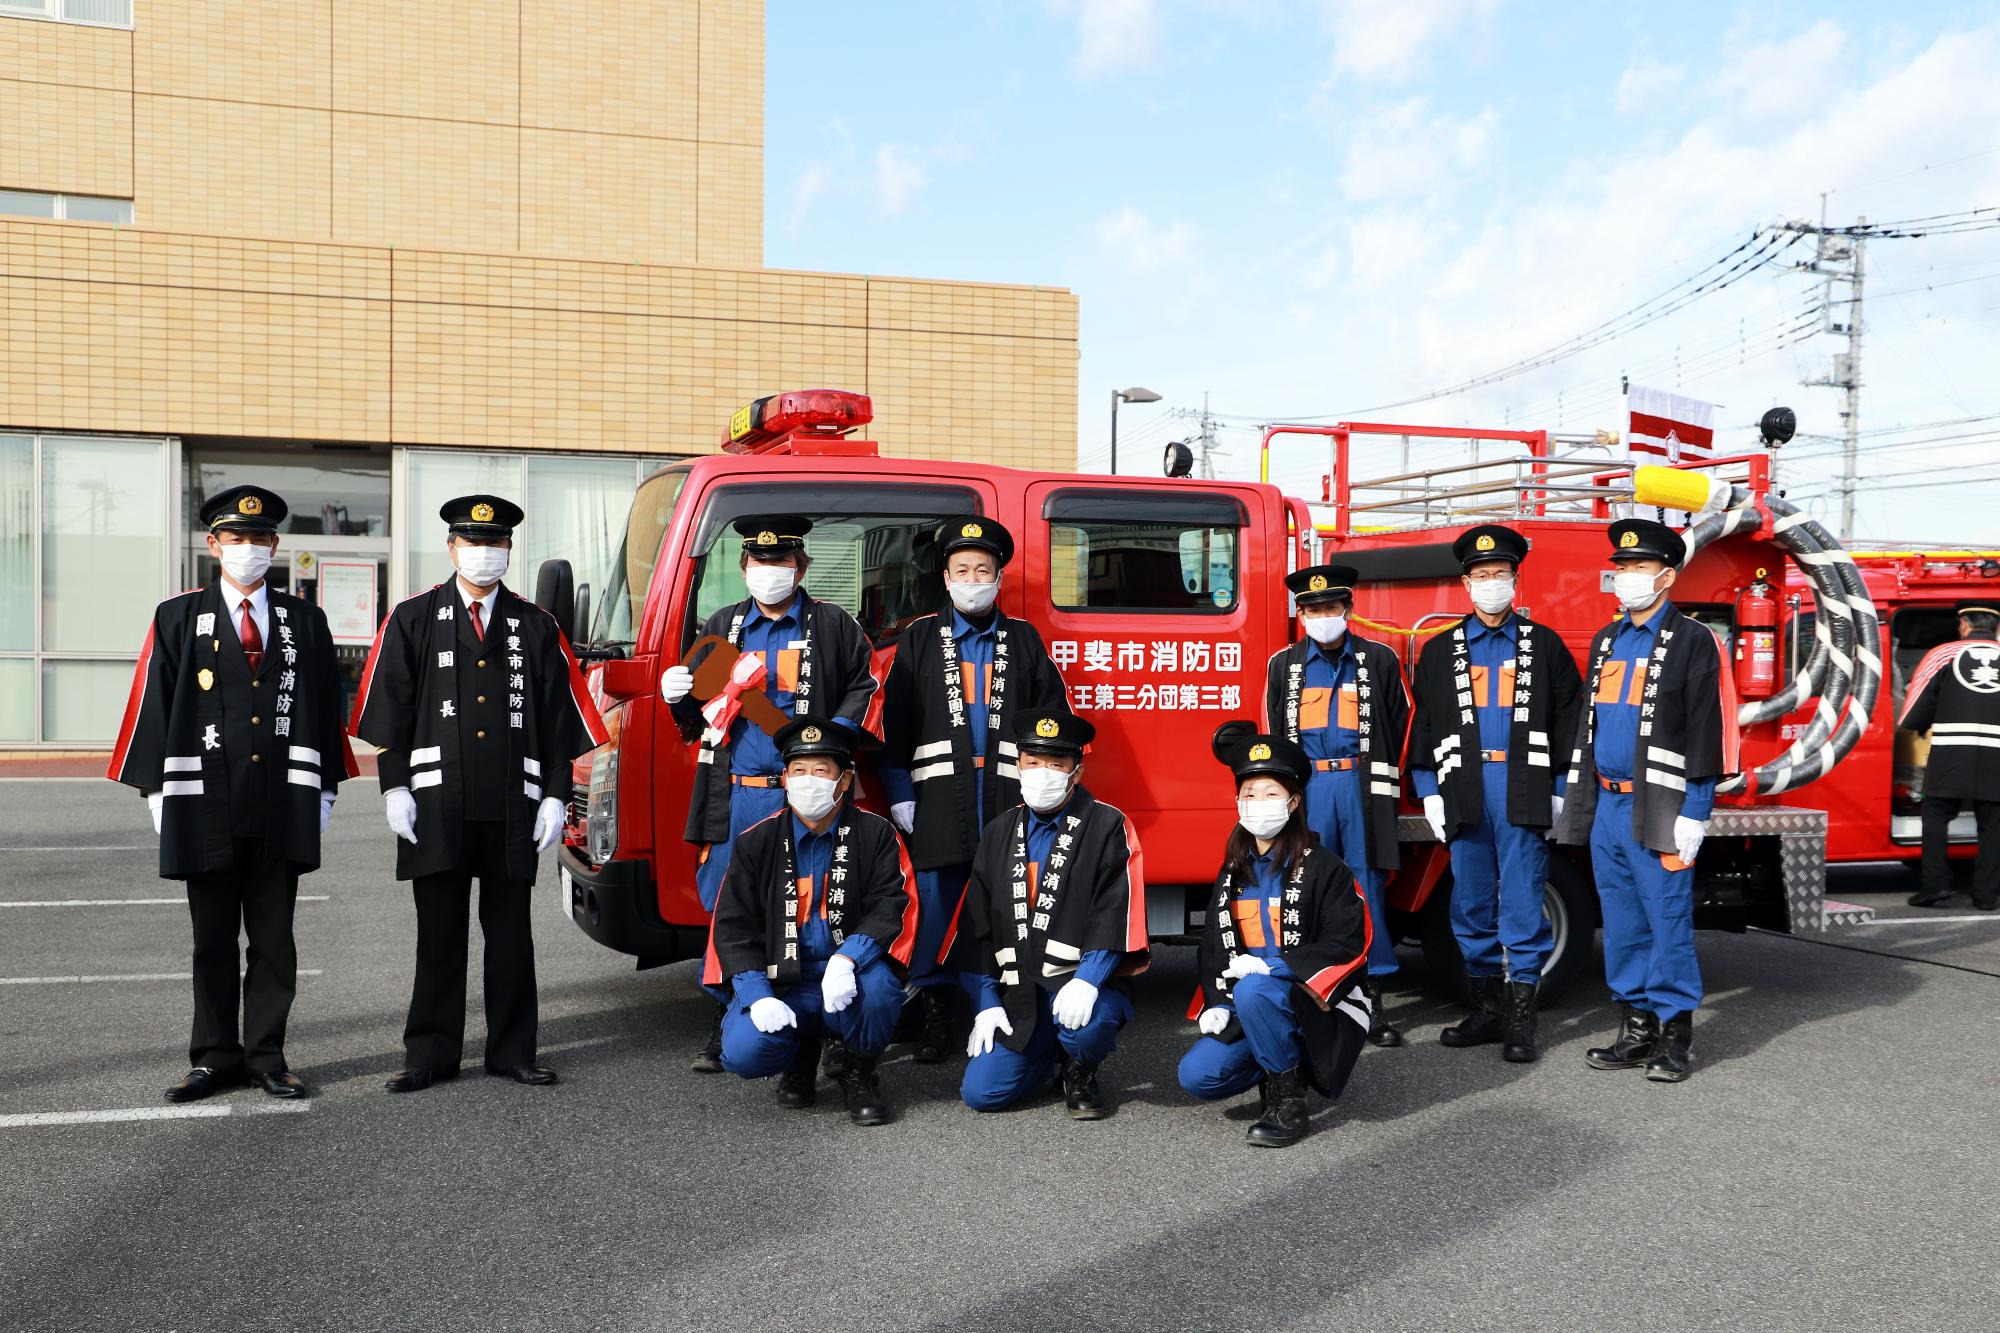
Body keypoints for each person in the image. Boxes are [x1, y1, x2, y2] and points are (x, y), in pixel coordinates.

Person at [350, 495, 609, 1092]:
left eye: (495, 545)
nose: (484, 554)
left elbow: (556, 719)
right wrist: (394, 788)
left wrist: (552, 796)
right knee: (438, 934)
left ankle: (513, 1049)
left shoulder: (535, 626)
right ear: (451, 548)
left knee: (510, 933)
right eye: (472, 543)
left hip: (513, 806)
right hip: (435, 803)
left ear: (510, 552)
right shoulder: (413, 618)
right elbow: (392, 713)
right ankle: (431, 1053)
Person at [107, 485, 355, 1103]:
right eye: (236, 537)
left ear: (275, 546)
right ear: (214, 544)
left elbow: (326, 709)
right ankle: (214, 1058)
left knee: (274, 939)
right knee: (212, 939)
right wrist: (157, 794)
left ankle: (267, 1056)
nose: (248, 548)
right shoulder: (178, 617)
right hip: (205, 801)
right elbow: (153, 705)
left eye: (260, 538)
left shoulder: (306, 621)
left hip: (281, 802)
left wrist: (323, 789)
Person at [661, 515, 879, 1073]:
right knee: (727, 905)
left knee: (824, 900)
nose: (769, 572)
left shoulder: (833, 625)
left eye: (780, 562)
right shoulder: (722, 625)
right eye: (759, 562)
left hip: (810, 794)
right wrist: (676, 695)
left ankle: (830, 1023)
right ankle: (733, 1009)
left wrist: (837, 743)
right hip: (738, 795)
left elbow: (865, 685)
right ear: (744, 568)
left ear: (800, 567)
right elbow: (700, 717)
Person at [880, 517, 1071, 1063]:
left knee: (1009, 903)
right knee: (939, 905)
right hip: (937, 801)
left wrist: (1047, 787)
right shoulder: (919, 639)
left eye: (982, 570)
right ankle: (941, 1010)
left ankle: (1014, 1001)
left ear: (998, 578)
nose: (972, 578)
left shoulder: (1024, 640)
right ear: (945, 578)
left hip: (1010, 797)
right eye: (961, 569)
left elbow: (1053, 719)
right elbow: (895, 725)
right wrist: (900, 793)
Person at [1553, 518, 1726, 1084]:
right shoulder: (1608, 639)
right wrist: (1570, 791)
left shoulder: (1693, 640)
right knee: (1623, 922)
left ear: (1667, 575)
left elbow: (1704, 728)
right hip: (1608, 804)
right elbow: (1588, 722)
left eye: (1638, 567)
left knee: (1666, 918)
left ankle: (1675, 1035)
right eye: (1621, 567)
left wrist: (1697, 812)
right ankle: (1635, 1027)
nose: (1625, 576)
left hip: (1663, 804)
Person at [1409, 525, 1583, 1062]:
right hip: (1463, 787)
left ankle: (1521, 1018)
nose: (1491, 584)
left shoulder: (1544, 646)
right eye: (1481, 576)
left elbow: (1570, 720)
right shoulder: (1440, 652)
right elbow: (1426, 725)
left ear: (1515, 580)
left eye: (1500, 575)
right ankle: (1486, 1008)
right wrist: (1427, 792)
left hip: (1524, 787)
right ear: (1466, 583)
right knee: (1471, 900)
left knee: (1526, 901)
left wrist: (1558, 789)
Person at [701, 718, 917, 1126]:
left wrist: (848, 958)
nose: (809, 781)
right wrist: (757, 994)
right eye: (799, 771)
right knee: (746, 1050)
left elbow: (892, 904)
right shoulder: (756, 842)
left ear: (845, 779)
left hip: (850, 976)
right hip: (784, 980)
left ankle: (860, 1069)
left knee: (879, 994)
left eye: (821, 771)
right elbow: (733, 926)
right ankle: (798, 1057)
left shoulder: (876, 834)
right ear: (785, 778)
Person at [1178, 725, 1372, 1147]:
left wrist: (1271, 967)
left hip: (1317, 1000)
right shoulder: (1234, 870)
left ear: (1294, 801)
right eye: (1249, 795)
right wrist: (1215, 1002)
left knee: (1255, 992)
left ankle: (1288, 1100)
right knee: (1197, 1077)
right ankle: (1278, 1061)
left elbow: (1347, 943)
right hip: (1255, 1002)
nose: (1258, 805)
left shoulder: (1325, 868)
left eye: (1270, 794)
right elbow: (1214, 944)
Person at [952, 710, 1147, 1119]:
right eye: (1033, 763)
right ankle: (1045, 1056)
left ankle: (1080, 1068)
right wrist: (986, 1002)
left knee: (1086, 1027)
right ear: (1018, 766)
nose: (1043, 774)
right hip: (1022, 994)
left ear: (1076, 772)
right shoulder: (999, 831)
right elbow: (976, 927)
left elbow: (1116, 911)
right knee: (981, 1094)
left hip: (1077, 984)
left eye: (1056, 764)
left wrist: (1088, 982)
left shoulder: (1108, 825)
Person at [1264, 563, 1410, 1046]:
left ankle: (1371, 998)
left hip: (1361, 789)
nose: (1322, 616)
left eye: (1330, 607)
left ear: (1348, 609)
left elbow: (1401, 720)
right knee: (1305, 890)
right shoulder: (1284, 664)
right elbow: (1271, 730)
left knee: (1366, 888)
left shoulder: (1379, 659)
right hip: (1308, 791)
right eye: (1312, 609)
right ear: (1300, 614)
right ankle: (1313, 993)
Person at [1901, 601, 2000, 911]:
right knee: (1994, 824)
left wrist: (1916, 726)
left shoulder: (1942, 654)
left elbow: (1914, 710)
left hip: (1951, 754)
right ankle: (1986, 896)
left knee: (1935, 815)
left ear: (1963, 625)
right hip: (1997, 755)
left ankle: (1935, 886)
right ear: (1996, 628)